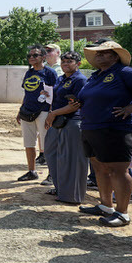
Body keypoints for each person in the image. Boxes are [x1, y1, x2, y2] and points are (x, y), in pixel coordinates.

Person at [76, 41, 132, 227]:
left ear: (115, 56)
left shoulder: (124, 72)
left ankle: (122, 213)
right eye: (97, 53)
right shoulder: (96, 76)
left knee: (117, 171)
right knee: (100, 169)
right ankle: (106, 206)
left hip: (115, 129)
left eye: (104, 53)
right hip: (92, 128)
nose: (99, 56)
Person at [42, 52, 88, 203]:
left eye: (70, 61)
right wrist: (51, 114)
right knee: (52, 154)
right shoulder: (61, 78)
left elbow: (75, 105)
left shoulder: (80, 80)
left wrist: (53, 114)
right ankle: (60, 188)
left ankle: (71, 196)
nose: (65, 64)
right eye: (63, 61)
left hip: (73, 122)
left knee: (71, 160)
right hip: (57, 121)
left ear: (78, 64)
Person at [16, 45, 58, 181]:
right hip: (27, 111)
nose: (31, 58)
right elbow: (26, 93)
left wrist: (51, 112)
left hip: (43, 111)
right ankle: (31, 171)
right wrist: (20, 110)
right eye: (29, 56)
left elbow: (54, 93)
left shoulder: (50, 73)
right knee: (29, 143)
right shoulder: (29, 73)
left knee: (47, 144)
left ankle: (52, 174)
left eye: (35, 55)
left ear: (43, 57)